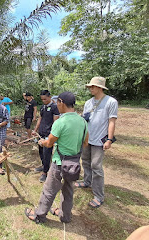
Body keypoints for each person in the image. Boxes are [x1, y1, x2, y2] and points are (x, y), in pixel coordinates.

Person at [24, 91, 88, 223]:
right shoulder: (82, 121)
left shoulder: (60, 122)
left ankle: (39, 216)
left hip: (59, 162)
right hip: (74, 164)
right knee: (68, 191)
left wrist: (42, 142)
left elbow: (49, 143)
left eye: (57, 102)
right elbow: (86, 143)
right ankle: (65, 216)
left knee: (49, 190)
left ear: (61, 103)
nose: (56, 105)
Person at [75, 76, 118, 209]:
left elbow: (112, 121)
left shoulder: (111, 102)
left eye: (92, 87)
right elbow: (84, 120)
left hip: (100, 140)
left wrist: (109, 139)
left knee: (96, 167)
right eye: (90, 87)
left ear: (100, 87)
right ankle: (87, 181)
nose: (90, 89)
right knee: (86, 161)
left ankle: (99, 195)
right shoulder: (88, 103)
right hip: (87, 138)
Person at [33, 90, 60, 183]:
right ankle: (44, 165)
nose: (43, 101)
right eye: (42, 99)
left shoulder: (54, 107)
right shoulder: (42, 107)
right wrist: (35, 130)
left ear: (50, 97)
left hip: (49, 134)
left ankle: (45, 172)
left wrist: (51, 135)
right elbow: (40, 119)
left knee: (47, 153)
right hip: (41, 133)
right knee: (41, 151)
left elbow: (56, 122)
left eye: (45, 99)